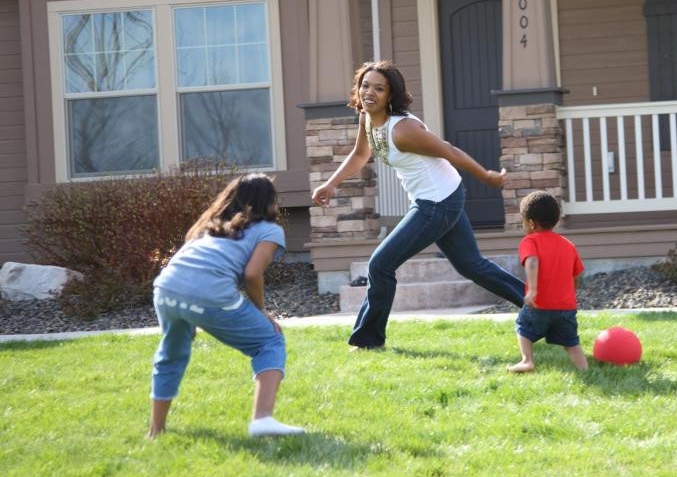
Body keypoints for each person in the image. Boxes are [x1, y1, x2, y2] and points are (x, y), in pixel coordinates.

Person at [312, 60, 525, 349]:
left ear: (391, 95)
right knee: (470, 265)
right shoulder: (367, 118)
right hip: (441, 197)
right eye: (365, 85)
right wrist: (331, 183)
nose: (369, 93)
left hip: (437, 203)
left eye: (379, 88)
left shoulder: (403, 130)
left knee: (380, 264)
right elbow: (360, 155)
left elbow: (449, 150)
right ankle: (538, 305)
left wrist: (486, 176)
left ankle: (368, 340)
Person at [148, 173, 304, 438]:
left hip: (166, 289)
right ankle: (262, 420)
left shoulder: (208, 227)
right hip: (208, 293)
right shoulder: (270, 230)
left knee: (171, 354)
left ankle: (155, 431)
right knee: (269, 340)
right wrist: (261, 311)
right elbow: (253, 274)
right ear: (268, 203)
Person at [507, 190, 588, 373]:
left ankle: (527, 360)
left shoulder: (530, 241)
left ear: (531, 223)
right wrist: (570, 296)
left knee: (523, 327)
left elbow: (532, 261)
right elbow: (576, 275)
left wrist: (533, 290)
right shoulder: (568, 245)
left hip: (539, 304)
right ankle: (585, 369)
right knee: (571, 343)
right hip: (566, 307)